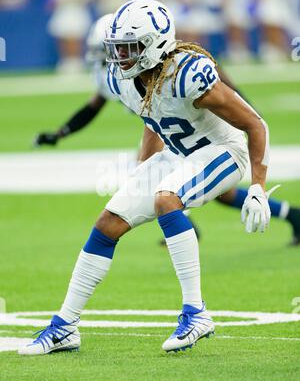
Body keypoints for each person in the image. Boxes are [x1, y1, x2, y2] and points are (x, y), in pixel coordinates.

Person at [18, 0, 275, 355]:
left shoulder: (187, 73)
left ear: (155, 44)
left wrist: (258, 186)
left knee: (166, 198)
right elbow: (154, 119)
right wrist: (143, 169)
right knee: (108, 223)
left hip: (224, 150)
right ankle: (65, 327)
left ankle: (196, 313)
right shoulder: (120, 79)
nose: (120, 56)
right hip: (179, 154)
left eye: (128, 47)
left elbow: (254, 124)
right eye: (116, 48)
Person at [34, 14, 300, 246]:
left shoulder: (172, 66)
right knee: (214, 192)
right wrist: (61, 132)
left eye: (118, 49)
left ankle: (182, 225)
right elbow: (94, 106)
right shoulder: (115, 75)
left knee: (167, 184)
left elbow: (218, 82)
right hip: (166, 130)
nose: (112, 56)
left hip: (195, 129)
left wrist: (246, 110)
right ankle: (291, 215)